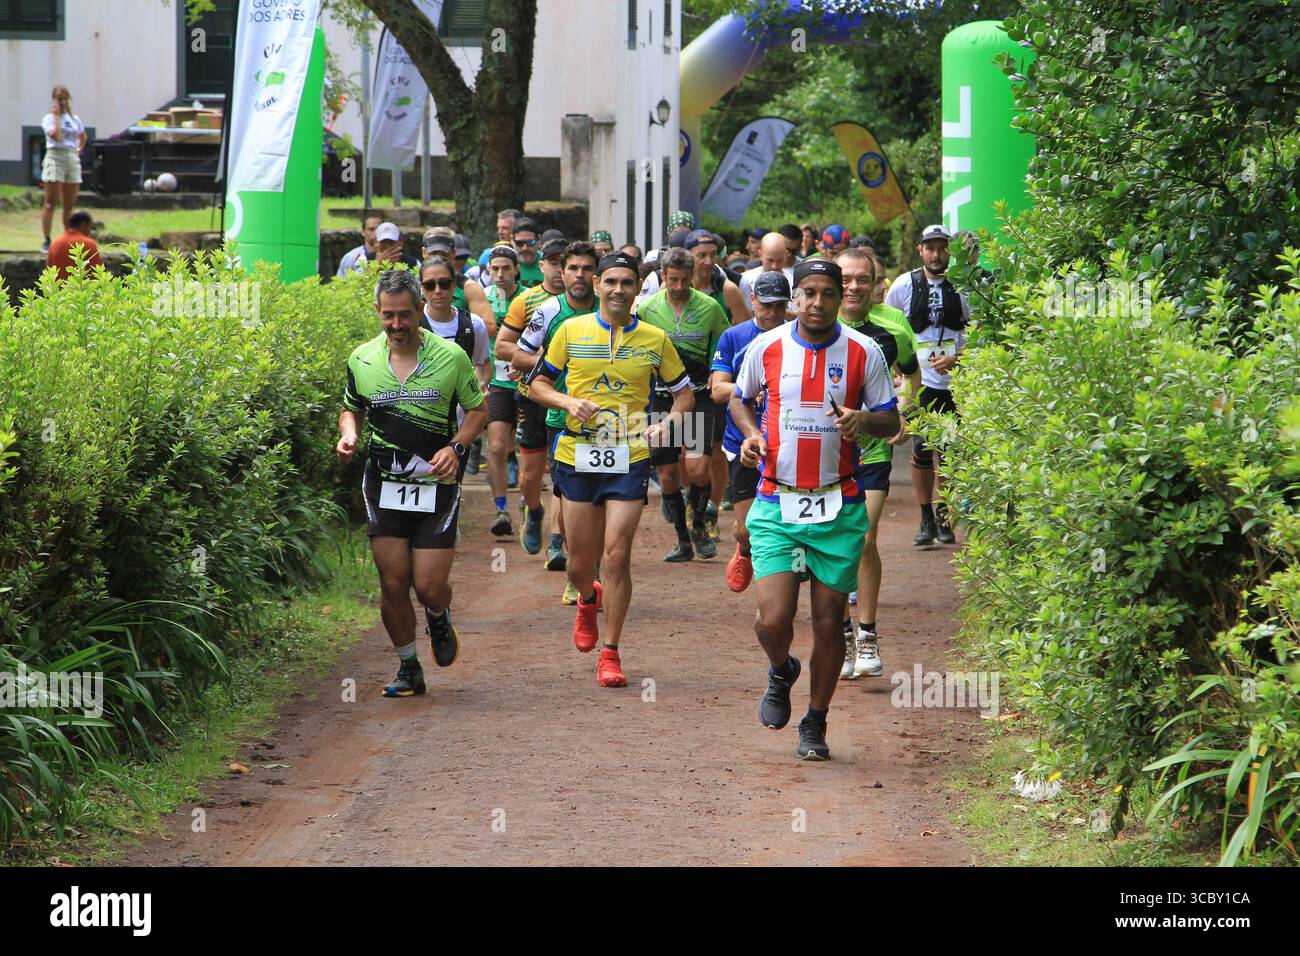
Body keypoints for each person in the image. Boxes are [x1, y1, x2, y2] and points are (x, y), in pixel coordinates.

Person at [730, 258, 899, 760]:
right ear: (795, 296)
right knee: (773, 617)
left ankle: (815, 722)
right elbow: (739, 399)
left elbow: (891, 423)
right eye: (809, 293)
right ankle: (781, 668)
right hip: (776, 500)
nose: (819, 302)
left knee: (828, 623)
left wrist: (861, 421)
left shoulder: (864, 351)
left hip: (839, 503)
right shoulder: (767, 345)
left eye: (828, 293)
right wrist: (752, 434)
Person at [526, 252, 694, 687]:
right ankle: (586, 597)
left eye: (628, 282)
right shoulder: (570, 330)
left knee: (616, 555)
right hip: (577, 454)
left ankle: (612, 653)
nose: (619, 289)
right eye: (612, 281)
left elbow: (684, 396)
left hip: (629, 454)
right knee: (581, 562)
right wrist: (567, 402)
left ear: (639, 286)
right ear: (598, 284)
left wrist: (667, 425)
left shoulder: (655, 338)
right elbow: (537, 384)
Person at [337, 269, 487, 697]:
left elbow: (477, 410)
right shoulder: (361, 359)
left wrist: (456, 448)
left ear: (421, 310)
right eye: (388, 316)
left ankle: (438, 614)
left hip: (436, 486)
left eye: (405, 315)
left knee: (428, 586)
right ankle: (408, 666)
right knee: (392, 582)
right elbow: (352, 408)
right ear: (378, 313)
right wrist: (349, 433)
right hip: (382, 483)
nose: (397, 325)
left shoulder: (450, 358)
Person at [834, 247, 920, 680]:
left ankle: (866, 635)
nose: (852, 287)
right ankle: (842, 635)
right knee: (832, 544)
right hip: (823, 452)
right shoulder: (817, 325)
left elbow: (912, 372)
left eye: (861, 280)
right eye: (844, 279)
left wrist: (902, 410)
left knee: (863, 537)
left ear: (875, 284)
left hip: (872, 447)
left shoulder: (893, 325)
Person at [511, 241, 601, 603]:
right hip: (558, 415)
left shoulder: (613, 307)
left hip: (610, 419)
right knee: (567, 494)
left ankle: (586, 570)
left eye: (585, 269)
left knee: (599, 500)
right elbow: (516, 352)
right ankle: (574, 568)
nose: (579, 275)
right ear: (562, 273)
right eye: (573, 268)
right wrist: (548, 366)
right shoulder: (549, 311)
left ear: (596, 276)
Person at [638, 247, 731, 561]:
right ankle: (682, 540)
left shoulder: (711, 308)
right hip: (662, 398)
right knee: (666, 476)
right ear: (663, 277)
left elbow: (723, 351)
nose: (678, 287)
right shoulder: (647, 308)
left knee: (698, 467)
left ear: (693, 276)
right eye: (672, 280)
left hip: (700, 396)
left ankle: (700, 523)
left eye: (683, 280)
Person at [884, 224, 971, 547]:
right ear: (920, 250)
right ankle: (925, 515)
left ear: (950, 250)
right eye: (930, 248)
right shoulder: (905, 285)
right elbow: (888, 328)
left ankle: (945, 514)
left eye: (942, 248)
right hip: (921, 383)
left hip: (956, 383)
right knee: (921, 449)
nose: (936, 254)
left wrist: (957, 359)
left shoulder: (964, 285)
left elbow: (980, 334)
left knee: (949, 452)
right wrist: (896, 371)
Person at [709, 270, 791, 591]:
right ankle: (743, 550)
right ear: (753, 300)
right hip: (742, 442)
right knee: (746, 528)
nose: (772, 313)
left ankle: (779, 580)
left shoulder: (797, 337)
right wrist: (746, 388)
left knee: (786, 521)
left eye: (779, 306)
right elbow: (717, 390)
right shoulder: (735, 336)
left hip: (786, 443)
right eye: (766, 304)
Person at [494, 234, 569, 565]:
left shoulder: (593, 305)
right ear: (542, 266)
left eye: (564, 265)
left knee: (563, 477)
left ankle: (557, 542)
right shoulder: (527, 302)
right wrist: (546, 358)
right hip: (532, 396)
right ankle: (534, 511)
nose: (560, 271)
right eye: (553, 264)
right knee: (530, 476)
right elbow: (503, 348)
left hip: (572, 402)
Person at [482, 244, 526, 536]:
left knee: (527, 450)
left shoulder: (530, 298)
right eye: (494, 269)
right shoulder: (482, 299)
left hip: (528, 382)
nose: (499, 274)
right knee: (497, 446)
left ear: (516, 270)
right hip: (496, 382)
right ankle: (501, 510)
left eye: (505, 269)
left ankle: (529, 500)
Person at [40, 86, 86, 254]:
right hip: (54, 157)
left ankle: (69, 238)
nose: (63, 102)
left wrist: (78, 151)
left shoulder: (75, 119)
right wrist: (57, 117)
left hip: (71, 157)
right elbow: (56, 136)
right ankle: (46, 239)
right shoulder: (48, 119)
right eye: (59, 98)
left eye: (65, 98)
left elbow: (82, 136)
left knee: (69, 203)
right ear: (54, 100)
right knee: (51, 202)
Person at [738, 232, 796, 313]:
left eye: (779, 261)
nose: (774, 266)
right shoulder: (745, 281)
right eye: (770, 260)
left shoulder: (796, 282)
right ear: (760, 255)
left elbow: (801, 317)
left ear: (786, 255)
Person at [46, 209, 102, 281]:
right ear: (83, 224)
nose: (89, 231)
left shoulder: (54, 243)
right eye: (90, 227)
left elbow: (48, 273)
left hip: (57, 291)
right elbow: (97, 274)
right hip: (81, 290)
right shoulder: (89, 244)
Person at [512, 218, 545, 288]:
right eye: (519, 243)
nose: (525, 248)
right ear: (511, 240)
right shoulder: (504, 264)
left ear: (539, 240)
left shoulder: (548, 264)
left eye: (531, 243)